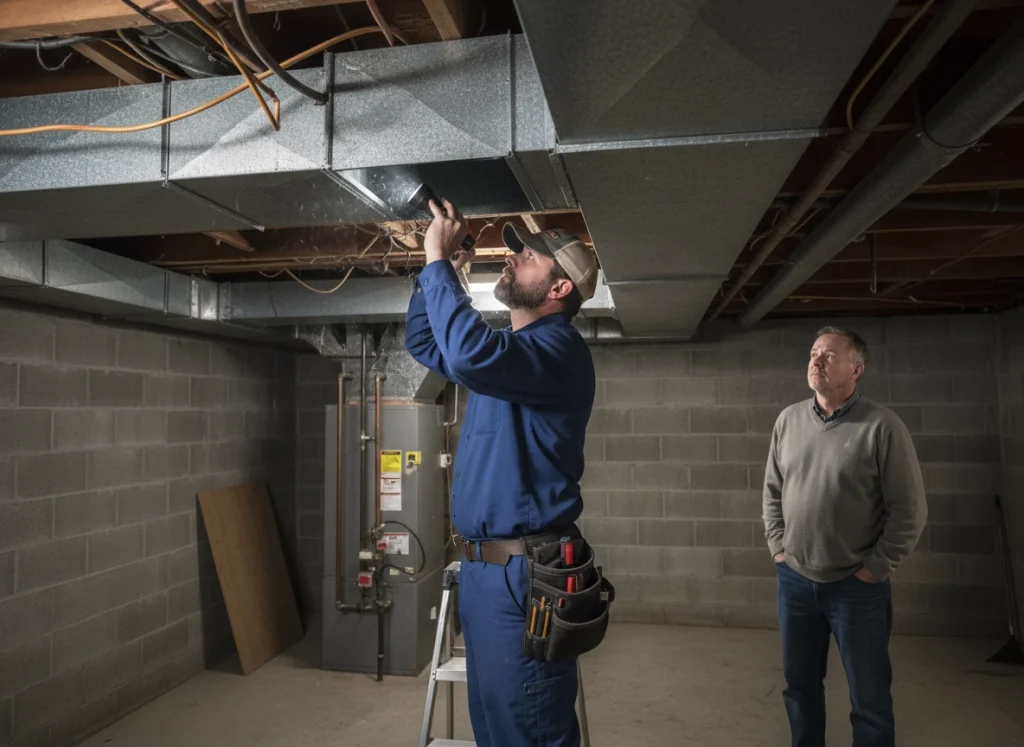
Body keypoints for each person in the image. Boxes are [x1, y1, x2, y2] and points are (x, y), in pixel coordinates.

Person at [404, 197, 600, 747]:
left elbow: (468, 355)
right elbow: (425, 342)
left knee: (528, 726)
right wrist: (439, 274)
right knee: (494, 727)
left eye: (529, 257)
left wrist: (439, 263)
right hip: (485, 573)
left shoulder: (558, 351)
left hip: (523, 573)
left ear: (560, 287)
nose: (512, 258)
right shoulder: (509, 356)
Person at [762, 325, 927, 747]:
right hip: (795, 581)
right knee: (799, 689)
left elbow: (909, 510)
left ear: (856, 370)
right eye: (813, 352)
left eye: (829, 355)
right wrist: (778, 548)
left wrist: (875, 569)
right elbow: (773, 491)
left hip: (856, 587)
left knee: (869, 699)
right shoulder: (788, 421)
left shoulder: (882, 427)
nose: (816, 361)